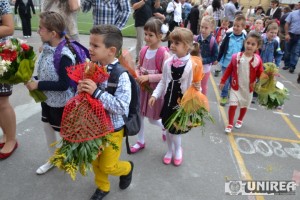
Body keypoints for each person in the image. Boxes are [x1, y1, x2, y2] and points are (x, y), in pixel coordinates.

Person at [77, 24, 133, 200]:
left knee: (108, 166)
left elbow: (121, 107)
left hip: (112, 130)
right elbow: (86, 95)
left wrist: (96, 92)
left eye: (95, 46)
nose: (90, 49)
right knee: (95, 161)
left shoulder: (120, 75)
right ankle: (103, 187)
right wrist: (81, 90)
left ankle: (127, 168)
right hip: (93, 127)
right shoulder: (91, 67)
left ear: (111, 50)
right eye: (90, 44)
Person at [25, 11, 76, 174]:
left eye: (41, 28)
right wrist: (31, 78)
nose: (38, 31)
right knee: (47, 127)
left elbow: (63, 84)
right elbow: (43, 70)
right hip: (47, 100)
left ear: (53, 33)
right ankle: (54, 158)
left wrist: (38, 85)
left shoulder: (65, 56)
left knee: (64, 133)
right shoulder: (47, 48)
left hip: (61, 104)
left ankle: (70, 156)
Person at [149, 27, 199, 166]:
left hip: (181, 105)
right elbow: (163, 81)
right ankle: (169, 150)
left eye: (177, 43)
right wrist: (155, 95)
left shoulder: (192, 65)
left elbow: (195, 88)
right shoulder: (168, 63)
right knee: (168, 130)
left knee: (175, 131)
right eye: (172, 42)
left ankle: (178, 150)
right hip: (168, 102)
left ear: (187, 46)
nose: (172, 45)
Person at [130, 18, 170, 153]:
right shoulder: (143, 51)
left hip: (154, 92)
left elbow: (165, 76)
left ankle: (164, 126)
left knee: (153, 120)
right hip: (142, 91)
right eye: (145, 34)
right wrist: (136, 74)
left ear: (160, 36)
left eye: (150, 35)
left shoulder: (163, 53)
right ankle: (140, 141)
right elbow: (138, 66)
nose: (146, 37)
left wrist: (148, 77)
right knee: (139, 115)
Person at [219, 32, 264, 133]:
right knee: (232, 105)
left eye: (253, 44)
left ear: (257, 46)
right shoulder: (236, 57)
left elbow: (260, 73)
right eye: (248, 43)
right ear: (244, 43)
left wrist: (267, 78)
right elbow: (229, 70)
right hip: (236, 87)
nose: (249, 46)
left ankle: (240, 119)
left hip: (248, 88)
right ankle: (230, 123)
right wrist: (222, 81)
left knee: (244, 105)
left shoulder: (257, 60)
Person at [0, 0, 18, 160]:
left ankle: (11, 139)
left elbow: (9, 27)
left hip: (2, 57)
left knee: (2, 102)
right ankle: (6, 135)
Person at [218, 15, 246, 106]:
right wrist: (217, 58)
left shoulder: (245, 39)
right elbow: (222, 48)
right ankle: (224, 96)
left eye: (238, 26)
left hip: (237, 65)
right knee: (225, 81)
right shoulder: (228, 36)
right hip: (226, 63)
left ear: (243, 27)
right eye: (234, 25)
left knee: (232, 81)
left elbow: (245, 52)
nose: (235, 27)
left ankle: (231, 93)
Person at [194, 15, 218, 95]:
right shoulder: (196, 38)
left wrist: (204, 60)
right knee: (194, 84)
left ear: (212, 29)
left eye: (206, 28)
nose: (203, 30)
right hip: (195, 66)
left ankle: (202, 102)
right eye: (201, 27)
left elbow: (215, 56)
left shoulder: (213, 42)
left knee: (203, 86)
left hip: (205, 68)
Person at [282, 4, 300, 74]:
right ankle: (287, 64)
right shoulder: (293, 13)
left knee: (296, 52)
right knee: (287, 51)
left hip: (299, 36)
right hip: (290, 34)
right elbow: (287, 24)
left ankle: (292, 66)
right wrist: (286, 34)